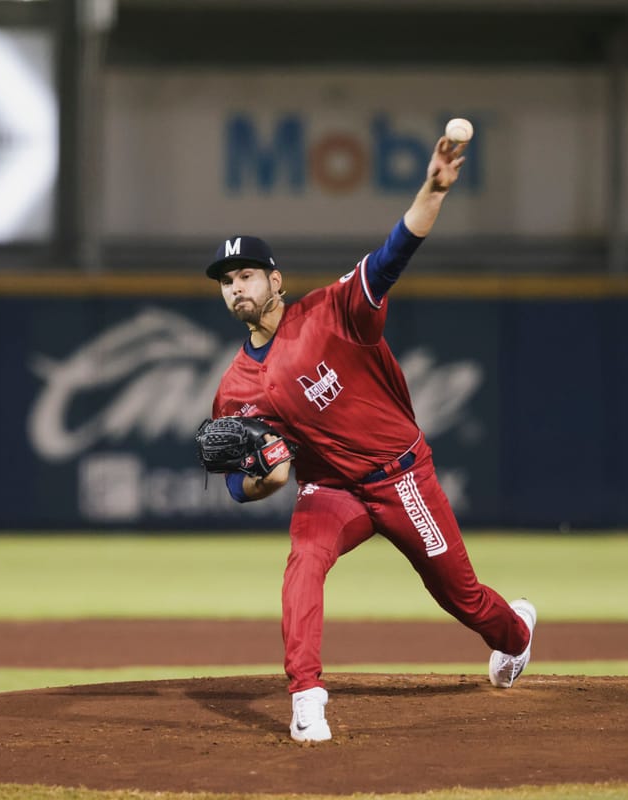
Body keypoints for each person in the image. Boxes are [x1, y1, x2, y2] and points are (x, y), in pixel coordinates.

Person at [205, 135, 535, 743]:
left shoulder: (333, 313)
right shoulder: (233, 388)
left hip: (401, 476)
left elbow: (391, 254)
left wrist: (432, 190)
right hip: (331, 489)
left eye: (247, 274)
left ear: (275, 279)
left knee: (461, 598)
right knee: (303, 562)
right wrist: (263, 479)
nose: (236, 287)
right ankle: (307, 696)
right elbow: (238, 483)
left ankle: (515, 633)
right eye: (226, 281)